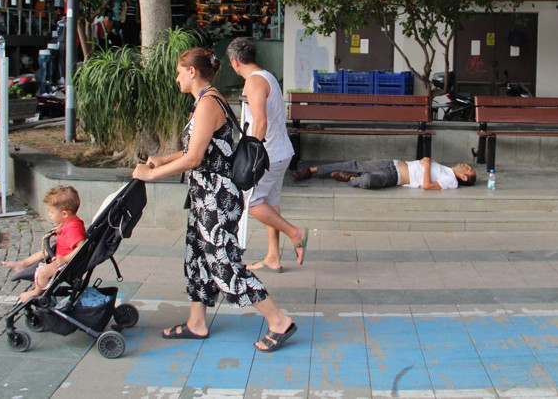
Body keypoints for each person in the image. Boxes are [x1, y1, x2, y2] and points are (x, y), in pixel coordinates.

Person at [132, 48, 297, 353]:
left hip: (216, 197)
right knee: (197, 256)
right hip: (204, 194)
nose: (177, 78)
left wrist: (151, 175)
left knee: (223, 261)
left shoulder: (208, 102)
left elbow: (194, 158)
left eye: (179, 72)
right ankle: (197, 322)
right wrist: (162, 160)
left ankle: (279, 320)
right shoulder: (205, 100)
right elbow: (197, 148)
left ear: (192, 72)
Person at [227, 37, 308, 274]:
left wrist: (252, 154)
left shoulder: (254, 81)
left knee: (249, 202)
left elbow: (260, 121)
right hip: (280, 151)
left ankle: (295, 233)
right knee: (270, 204)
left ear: (235, 62)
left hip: (268, 154)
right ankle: (273, 257)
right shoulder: (267, 76)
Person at [2, 186, 87, 303]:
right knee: (46, 251)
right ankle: (22, 264)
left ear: (64, 214)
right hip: (60, 256)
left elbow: (82, 246)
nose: (49, 214)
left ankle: (36, 293)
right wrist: (59, 230)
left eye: (52, 212)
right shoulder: (69, 222)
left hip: (67, 264)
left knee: (43, 272)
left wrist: (65, 259)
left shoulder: (73, 228)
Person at [292, 157, 477, 190]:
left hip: (395, 177)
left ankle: (352, 179)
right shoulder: (445, 169)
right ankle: (311, 170)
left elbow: (428, 186)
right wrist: (430, 162)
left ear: (464, 177)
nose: (466, 165)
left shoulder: (451, 181)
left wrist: (427, 165)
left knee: (368, 181)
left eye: (468, 169)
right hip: (393, 163)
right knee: (356, 164)